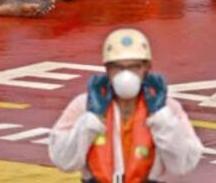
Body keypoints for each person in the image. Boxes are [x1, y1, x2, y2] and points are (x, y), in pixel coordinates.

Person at [49, 28, 203, 181]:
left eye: (134, 67)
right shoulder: (83, 105)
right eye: (118, 67)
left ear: (146, 68)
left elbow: (183, 164)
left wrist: (161, 117)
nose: (126, 74)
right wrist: (92, 118)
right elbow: (64, 161)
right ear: (107, 69)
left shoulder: (167, 108)